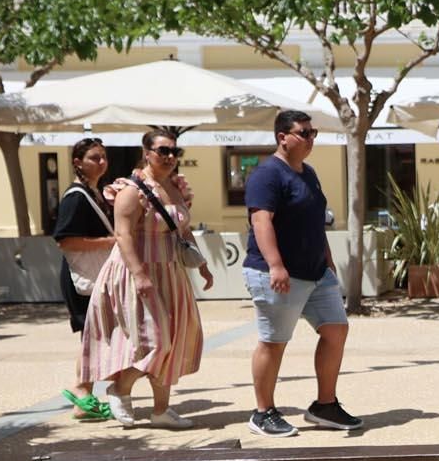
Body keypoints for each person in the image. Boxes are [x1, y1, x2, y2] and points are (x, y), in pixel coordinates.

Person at [80, 129, 213, 428]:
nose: (169, 157)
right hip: (136, 271)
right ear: (147, 153)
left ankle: (160, 410)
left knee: (174, 339)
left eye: (173, 152)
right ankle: (120, 388)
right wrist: (139, 275)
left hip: (170, 271)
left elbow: (181, 229)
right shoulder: (132, 189)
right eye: (162, 151)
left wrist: (202, 263)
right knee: (156, 341)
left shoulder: (176, 186)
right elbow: (123, 234)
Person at [244, 109, 360, 436]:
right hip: (280, 273)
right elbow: (261, 221)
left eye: (314, 133)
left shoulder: (307, 173)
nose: (311, 139)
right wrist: (276, 265)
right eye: (304, 133)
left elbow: (314, 219)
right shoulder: (267, 175)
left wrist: (327, 258)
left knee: (336, 330)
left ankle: (325, 405)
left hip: (316, 272)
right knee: (274, 342)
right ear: (283, 137)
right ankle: (262, 412)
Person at [53, 136, 116, 421]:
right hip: (81, 279)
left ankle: (84, 396)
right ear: (78, 162)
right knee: (90, 338)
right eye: (94, 157)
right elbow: (65, 241)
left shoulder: (95, 192)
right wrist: (109, 241)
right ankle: (81, 394)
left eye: (103, 156)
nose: (101, 162)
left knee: (93, 338)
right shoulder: (76, 197)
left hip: (93, 276)